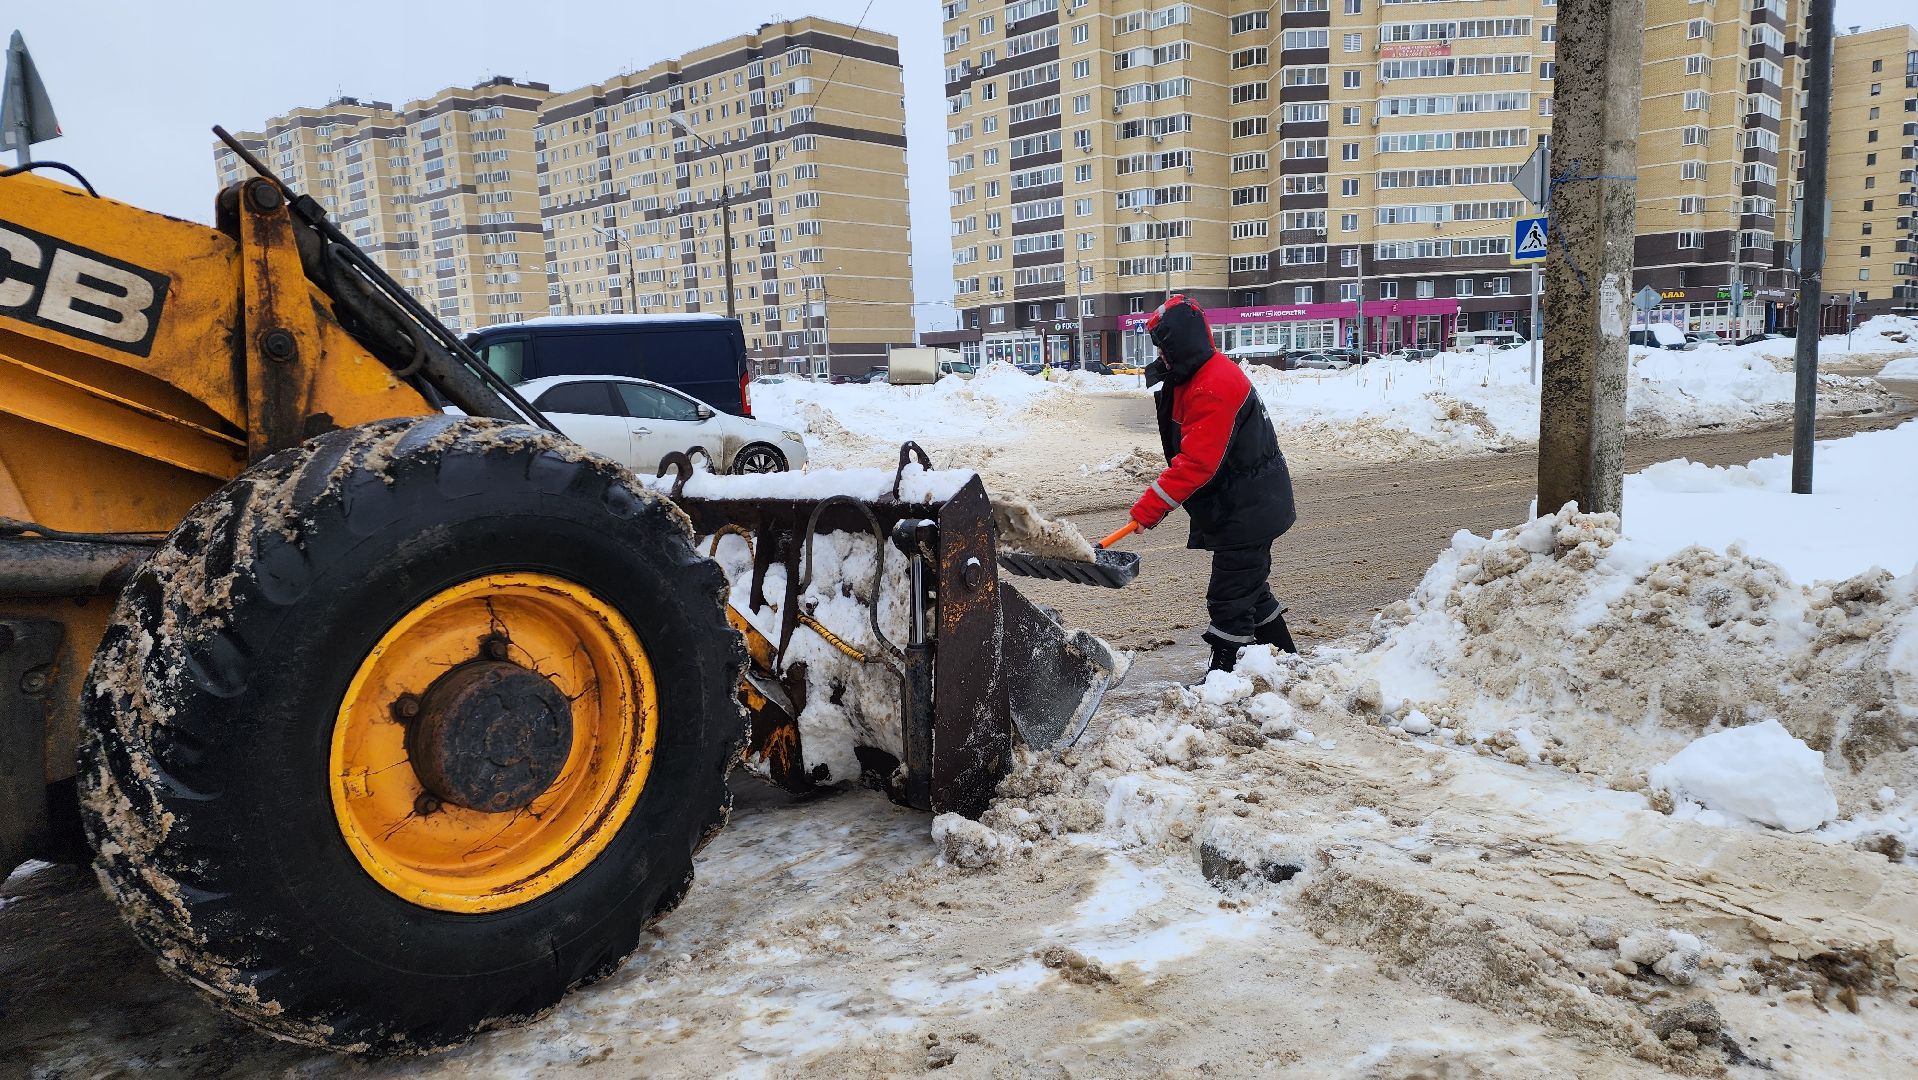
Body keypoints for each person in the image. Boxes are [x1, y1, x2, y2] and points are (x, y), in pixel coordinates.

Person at [1128, 295, 1299, 673]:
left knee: (1229, 600)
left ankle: (1223, 680)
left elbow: (1197, 462)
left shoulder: (1214, 383)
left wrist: (1151, 507)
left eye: (1164, 348)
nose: (1161, 356)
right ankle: (1288, 663)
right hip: (1244, 503)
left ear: (1182, 343)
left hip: (1250, 508)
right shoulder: (1195, 374)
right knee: (1250, 592)